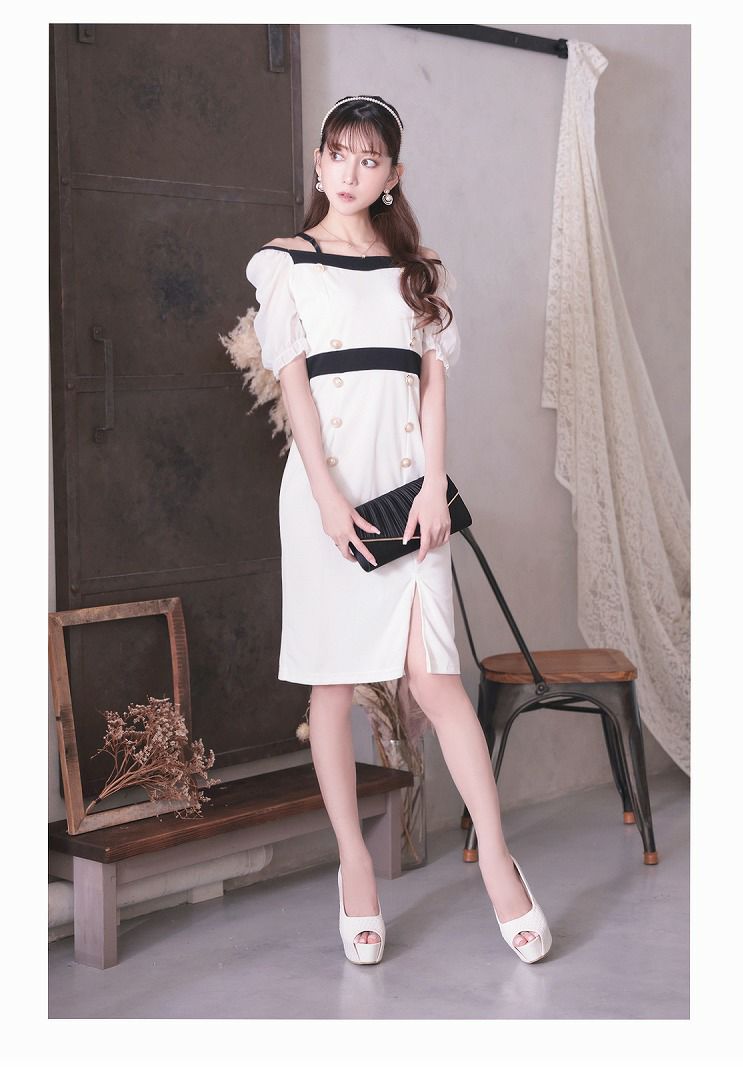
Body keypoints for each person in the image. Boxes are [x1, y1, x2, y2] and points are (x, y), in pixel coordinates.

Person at [245, 95, 551, 965]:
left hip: (410, 492)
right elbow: (296, 392)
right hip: (328, 494)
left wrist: (434, 487)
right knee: (332, 684)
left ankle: (499, 861)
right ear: (318, 162)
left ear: (392, 176)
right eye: (338, 154)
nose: (350, 172)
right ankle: (355, 865)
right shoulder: (286, 265)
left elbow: (433, 387)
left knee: (438, 681)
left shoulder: (419, 271)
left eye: (368, 159)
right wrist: (324, 497)